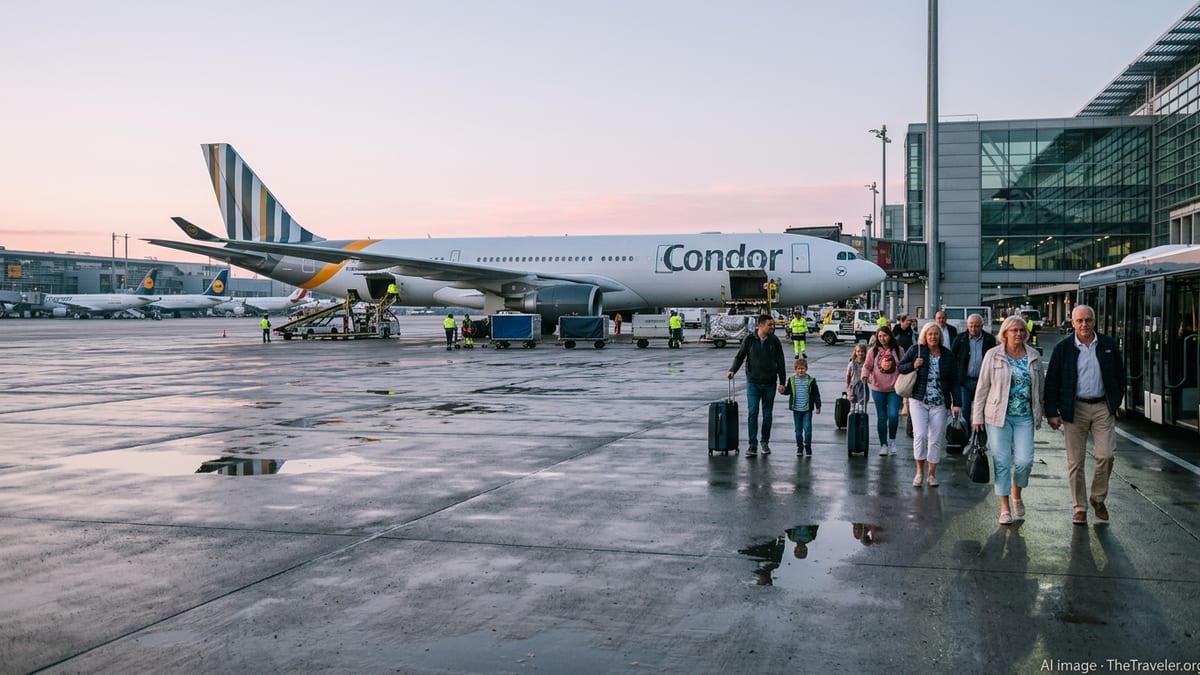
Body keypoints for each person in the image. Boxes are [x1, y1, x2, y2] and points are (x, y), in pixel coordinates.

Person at [1044, 304, 1126, 525]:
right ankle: (1079, 507)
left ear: (1094, 321)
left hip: (1102, 408)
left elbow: (1120, 375)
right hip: (1075, 408)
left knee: (1106, 456)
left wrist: (1115, 401)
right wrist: (1051, 412)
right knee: (1076, 462)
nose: (1084, 324)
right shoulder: (1063, 348)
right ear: (1072, 323)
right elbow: (1051, 381)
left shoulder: (1107, 344)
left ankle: (1097, 498)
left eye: (1088, 320)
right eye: (1079, 321)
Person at [972, 316, 1044, 525]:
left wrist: (1044, 411)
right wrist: (977, 416)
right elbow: (982, 387)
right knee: (1002, 461)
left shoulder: (1033, 356)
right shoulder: (993, 355)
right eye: (1014, 330)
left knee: (1024, 461)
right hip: (997, 416)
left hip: (1024, 417)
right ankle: (1004, 508)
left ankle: (1016, 493)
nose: (1018, 334)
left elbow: (1040, 388)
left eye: (1021, 330)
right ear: (1005, 333)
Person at [899, 322, 962, 487]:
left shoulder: (947, 355)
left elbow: (955, 381)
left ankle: (931, 475)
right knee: (920, 435)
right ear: (924, 336)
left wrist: (957, 403)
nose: (933, 337)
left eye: (936, 334)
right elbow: (900, 367)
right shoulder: (916, 350)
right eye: (930, 334)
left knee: (935, 439)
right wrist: (913, 365)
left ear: (940, 336)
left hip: (939, 403)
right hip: (919, 400)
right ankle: (919, 472)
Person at [727, 314, 788, 458]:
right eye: (770, 325)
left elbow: (781, 362)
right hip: (753, 383)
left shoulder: (774, 341)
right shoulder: (749, 340)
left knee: (767, 415)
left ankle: (765, 442)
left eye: (773, 325)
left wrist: (782, 382)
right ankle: (752, 445)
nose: (773, 327)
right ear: (760, 326)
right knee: (752, 413)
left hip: (769, 384)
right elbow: (740, 357)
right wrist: (732, 370)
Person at [862, 326, 903, 455]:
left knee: (893, 415)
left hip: (894, 389)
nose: (882, 338)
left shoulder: (898, 350)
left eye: (885, 335)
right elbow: (867, 366)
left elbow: (904, 364)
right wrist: (865, 376)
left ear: (890, 336)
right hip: (878, 389)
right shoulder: (873, 351)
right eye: (880, 336)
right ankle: (883, 444)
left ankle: (892, 441)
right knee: (881, 417)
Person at [952, 313, 998, 425]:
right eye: (971, 325)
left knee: (982, 411)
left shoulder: (989, 339)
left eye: (976, 326)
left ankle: (980, 438)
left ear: (982, 326)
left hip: (983, 382)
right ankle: (965, 436)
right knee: (965, 410)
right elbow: (952, 359)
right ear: (967, 326)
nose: (973, 328)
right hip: (965, 381)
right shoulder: (960, 339)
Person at [785, 357, 821, 455]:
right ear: (795, 369)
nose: (801, 370)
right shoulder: (792, 380)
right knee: (798, 431)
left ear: (806, 369)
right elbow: (788, 391)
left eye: (803, 368)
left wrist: (818, 406)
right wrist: (782, 390)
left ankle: (808, 446)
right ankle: (800, 447)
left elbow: (816, 394)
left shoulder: (811, 380)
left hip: (807, 409)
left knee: (808, 429)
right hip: (796, 409)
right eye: (799, 369)